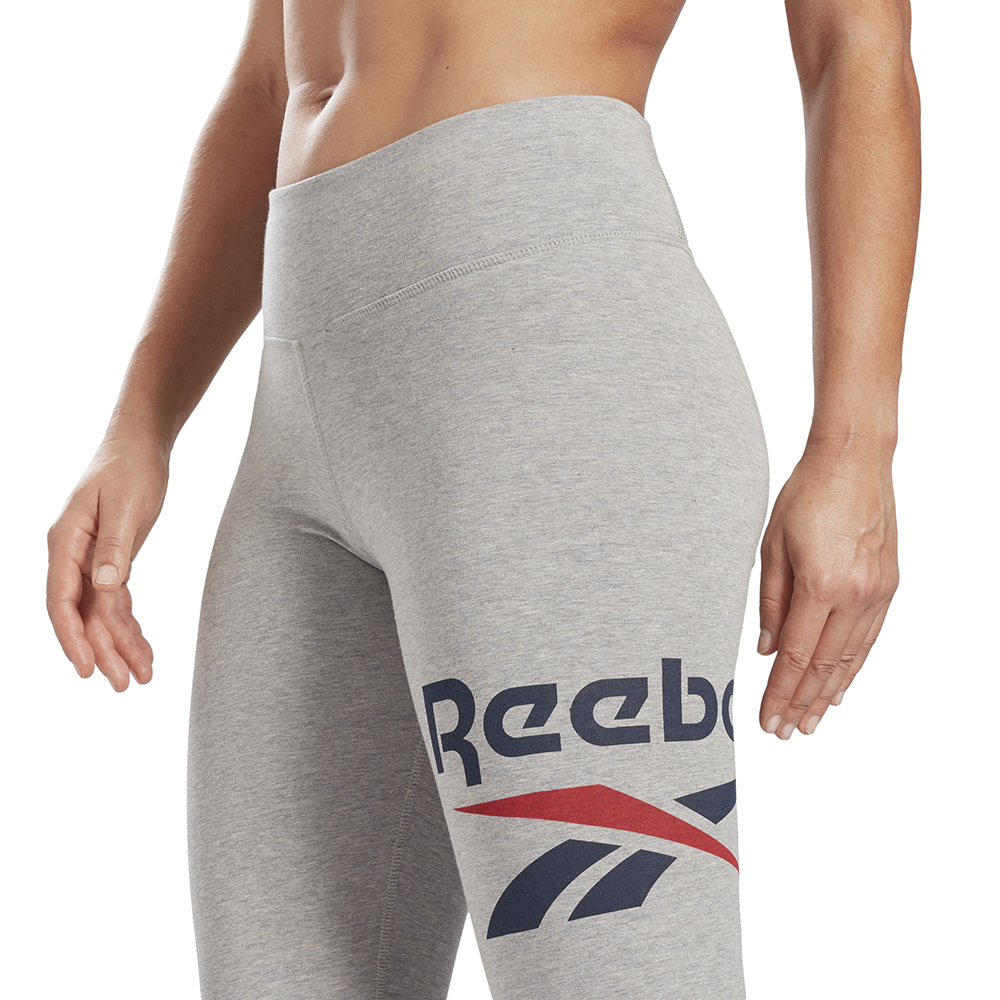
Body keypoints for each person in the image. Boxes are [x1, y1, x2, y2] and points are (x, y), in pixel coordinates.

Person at [45, 0, 919, 997]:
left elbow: (855, 38)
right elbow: (269, 81)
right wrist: (142, 421)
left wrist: (856, 448)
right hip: (300, 405)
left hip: (552, 359)